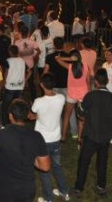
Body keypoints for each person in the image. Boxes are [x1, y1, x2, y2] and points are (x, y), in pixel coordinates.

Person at [0, 99, 50, 202]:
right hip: (27, 191)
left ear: (10, 116)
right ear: (28, 115)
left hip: (5, 191)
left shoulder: (1, 135)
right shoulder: (37, 136)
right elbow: (45, 167)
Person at [73, 69, 112, 197]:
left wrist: (80, 107)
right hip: (105, 136)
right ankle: (101, 187)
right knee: (102, 161)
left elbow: (80, 114)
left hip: (91, 135)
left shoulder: (90, 95)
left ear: (96, 82)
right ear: (107, 81)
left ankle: (79, 188)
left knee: (84, 161)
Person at [31, 73, 69, 202]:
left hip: (42, 141)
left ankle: (48, 198)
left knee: (44, 170)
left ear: (42, 85)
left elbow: (34, 113)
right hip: (56, 138)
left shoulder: (38, 102)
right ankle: (64, 191)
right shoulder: (61, 98)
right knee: (57, 166)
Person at [2, 45, 28, 126]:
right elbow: (29, 71)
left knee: (7, 106)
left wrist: (4, 82)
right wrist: (25, 80)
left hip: (10, 87)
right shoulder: (22, 61)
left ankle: (6, 123)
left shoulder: (8, 61)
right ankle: (18, 122)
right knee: (18, 106)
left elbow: (6, 72)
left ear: (10, 52)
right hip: (20, 87)